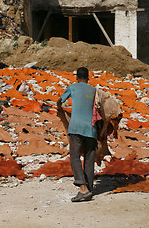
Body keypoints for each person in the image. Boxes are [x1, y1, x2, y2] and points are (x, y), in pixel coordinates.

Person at [57, 67, 97, 202]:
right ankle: (89, 189)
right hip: (91, 129)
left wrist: (59, 109)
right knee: (89, 158)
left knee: (74, 157)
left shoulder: (72, 88)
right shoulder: (93, 90)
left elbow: (60, 101)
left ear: (76, 77)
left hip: (76, 127)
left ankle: (83, 188)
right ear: (88, 77)